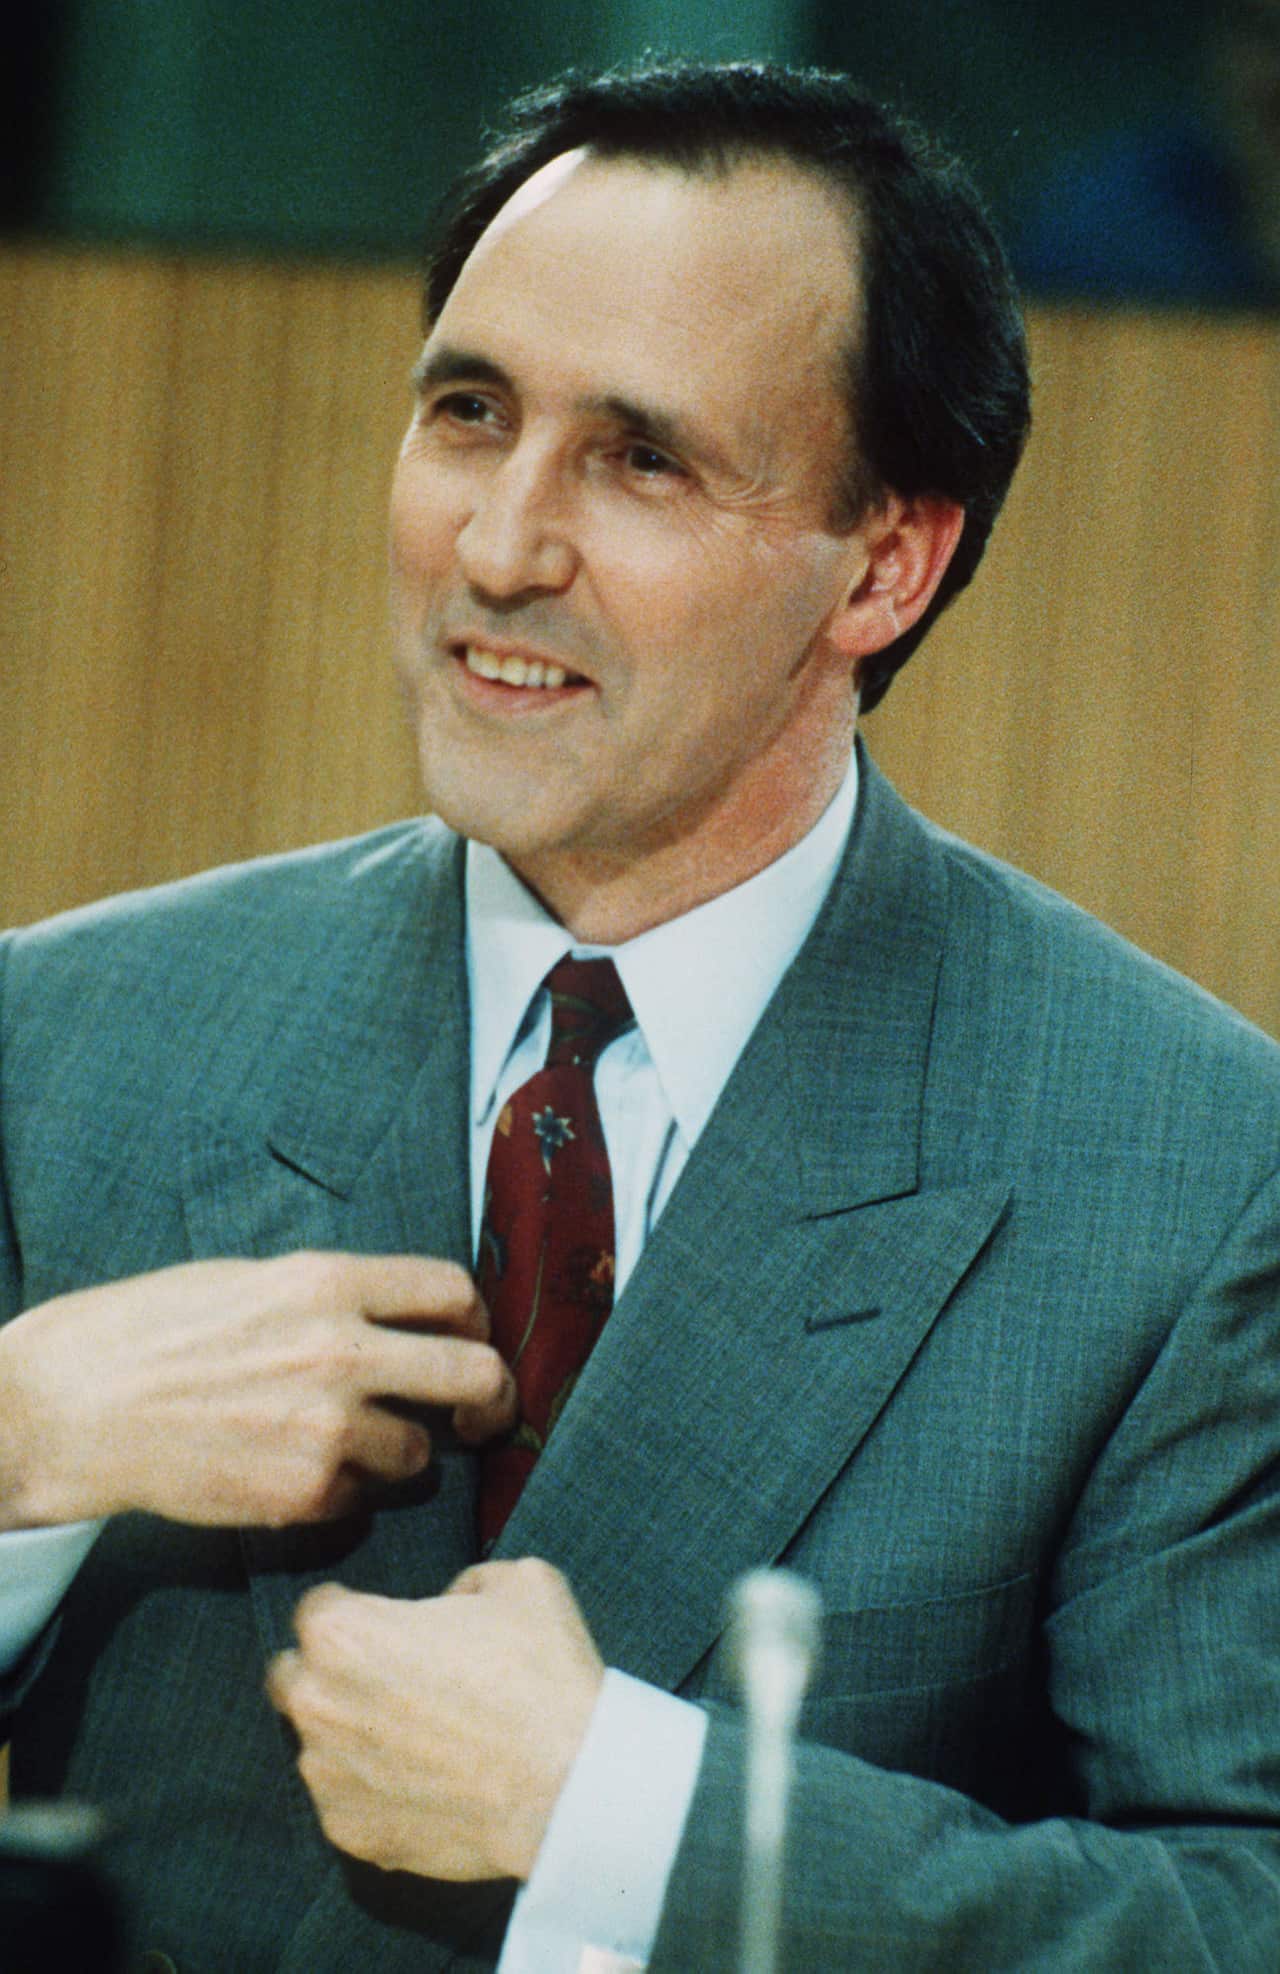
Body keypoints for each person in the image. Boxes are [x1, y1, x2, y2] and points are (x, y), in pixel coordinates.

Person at [1, 59, 1278, 1972]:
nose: (500, 547)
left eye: (643, 459)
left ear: (885, 562)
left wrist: (628, 1816)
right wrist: (20, 1432)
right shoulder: (63, 1033)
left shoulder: (1188, 1165)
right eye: (468, 413)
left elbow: (1235, 1912)